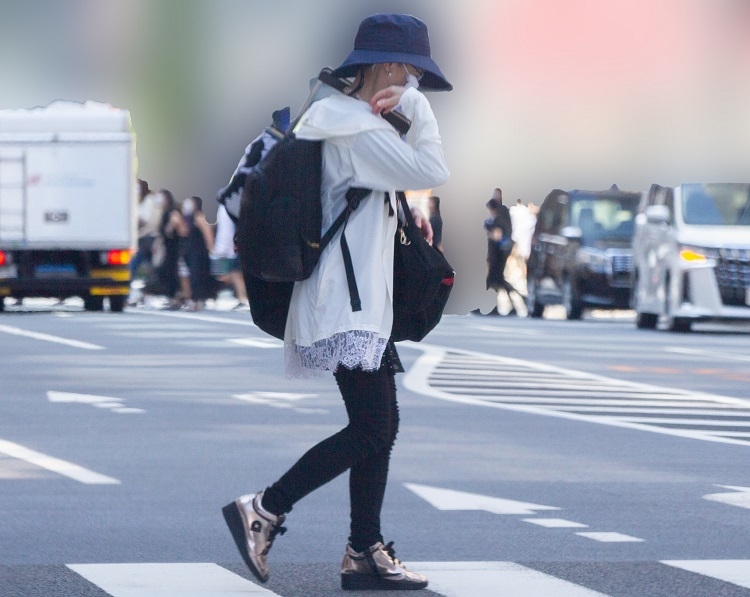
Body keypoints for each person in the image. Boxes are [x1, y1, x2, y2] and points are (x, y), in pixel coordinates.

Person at [221, 13, 451, 592]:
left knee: (381, 422)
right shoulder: (354, 129)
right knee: (374, 425)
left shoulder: (338, 119)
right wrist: (417, 109)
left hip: (354, 304)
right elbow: (433, 168)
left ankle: (363, 549)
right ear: (386, 67)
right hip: (346, 306)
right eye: (410, 72)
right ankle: (264, 509)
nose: (413, 84)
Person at [485, 189, 526, 316]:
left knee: (494, 278)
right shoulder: (500, 211)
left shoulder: (502, 211)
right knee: (498, 279)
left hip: (500, 251)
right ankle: (514, 303)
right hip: (497, 251)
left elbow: (500, 232)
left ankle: (491, 306)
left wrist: (492, 232)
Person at [180, 196, 215, 311]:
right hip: (191, 250)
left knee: (197, 274)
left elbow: (207, 233)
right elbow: (183, 232)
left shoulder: (200, 216)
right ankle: (193, 299)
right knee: (191, 274)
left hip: (199, 251)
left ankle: (197, 300)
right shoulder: (190, 218)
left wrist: (211, 248)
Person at [211, 203, 248, 308]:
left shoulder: (227, 208)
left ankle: (242, 298)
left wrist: (220, 249)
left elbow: (225, 231)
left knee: (235, 272)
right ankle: (241, 297)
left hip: (233, 245)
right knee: (232, 273)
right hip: (234, 244)